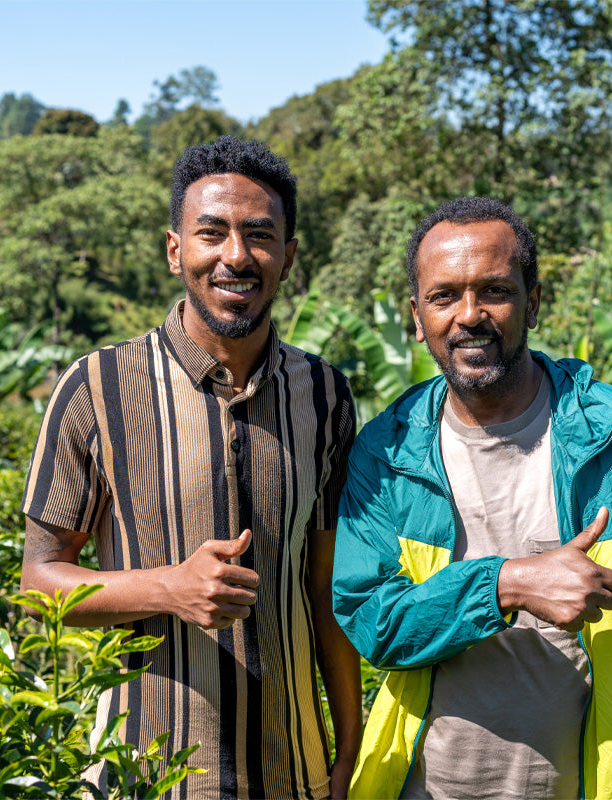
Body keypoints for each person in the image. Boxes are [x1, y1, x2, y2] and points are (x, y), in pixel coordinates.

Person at [332, 197, 612, 800]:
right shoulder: (385, 453)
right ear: (417, 317)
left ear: (533, 302)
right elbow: (375, 622)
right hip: (426, 786)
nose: (469, 315)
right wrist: (506, 585)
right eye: (444, 297)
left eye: (494, 290)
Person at [21, 136, 362, 800]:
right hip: (140, 779)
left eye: (260, 236)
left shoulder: (325, 396)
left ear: (288, 257)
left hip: (295, 775)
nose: (236, 255)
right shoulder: (97, 389)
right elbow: (37, 583)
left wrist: (349, 746)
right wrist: (169, 589)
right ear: (176, 250)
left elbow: (327, 591)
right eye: (213, 233)